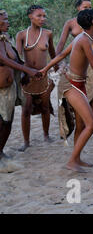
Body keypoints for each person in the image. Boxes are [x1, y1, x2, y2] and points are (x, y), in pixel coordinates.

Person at [40, 9, 93, 173]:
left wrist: (45, 69)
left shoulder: (85, 37)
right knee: (92, 124)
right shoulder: (84, 40)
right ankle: (72, 161)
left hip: (79, 84)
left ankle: (77, 158)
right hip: (71, 85)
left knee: (81, 125)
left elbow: (62, 55)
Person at [0, 9, 41, 167]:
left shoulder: (5, 39)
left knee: (7, 122)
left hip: (10, 88)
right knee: (2, 122)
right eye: (5, 19)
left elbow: (15, 59)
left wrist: (25, 72)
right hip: (1, 90)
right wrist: (28, 70)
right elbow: (2, 59)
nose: (8, 22)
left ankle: (0, 152)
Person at [15, 5, 57, 151]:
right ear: (30, 17)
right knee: (26, 109)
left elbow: (53, 55)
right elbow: (17, 58)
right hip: (27, 78)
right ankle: (26, 141)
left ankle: (46, 135)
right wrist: (23, 73)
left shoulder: (47, 34)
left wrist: (59, 70)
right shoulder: (21, 35)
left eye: (44, 16)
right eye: (39, 16)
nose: (42, 19)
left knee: (45, 107)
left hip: (43, 77)